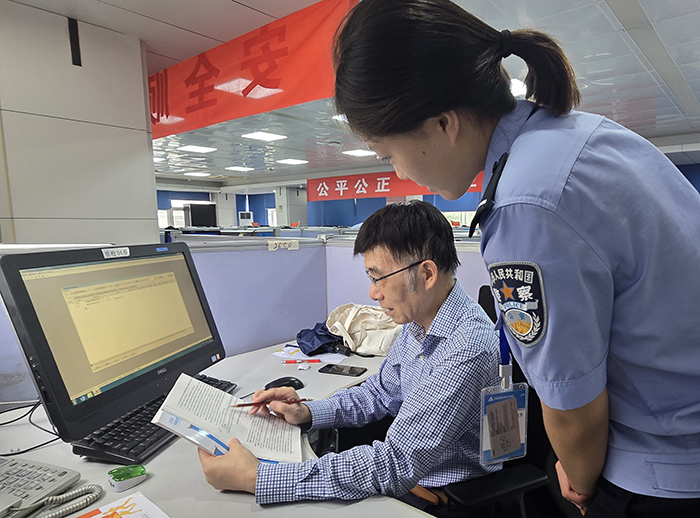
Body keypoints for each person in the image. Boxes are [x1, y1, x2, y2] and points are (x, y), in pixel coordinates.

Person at [332, 1, 700, 516]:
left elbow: (573, 409)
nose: (401, 173)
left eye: (390, 153)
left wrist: (581, 479)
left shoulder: (523, 203)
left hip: (668, 470)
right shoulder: (581, 136)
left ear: (443, 123)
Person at [198, 200, 501, 509]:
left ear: (426, 274)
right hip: (410, 476)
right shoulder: (420, 321)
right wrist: (306, 412)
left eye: (379, 277)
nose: (373, 293)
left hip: (442, 495)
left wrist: (256, 478)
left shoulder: (466, 347)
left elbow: (394, 465)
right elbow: (379, 393)